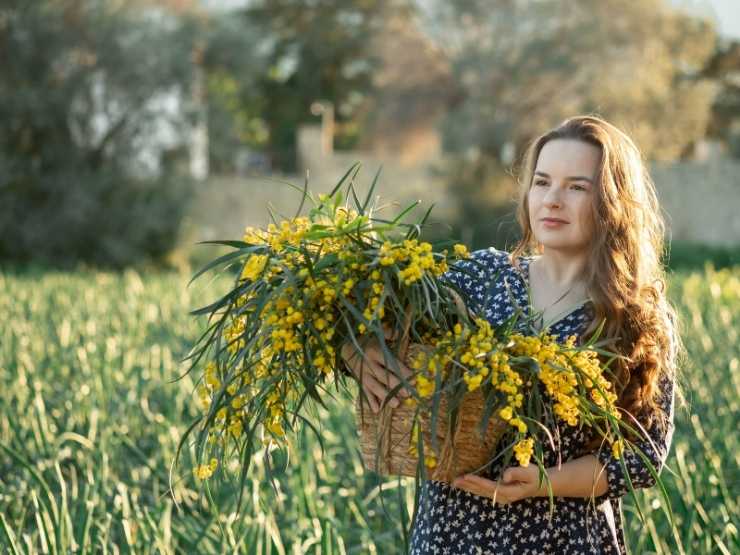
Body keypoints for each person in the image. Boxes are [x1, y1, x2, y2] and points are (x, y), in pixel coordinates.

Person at [341, 115, 683, 554]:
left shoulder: (635, 317)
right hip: (452, 532)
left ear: (612, 202)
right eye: (542, 182)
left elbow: (642, 459)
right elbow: (374, 317)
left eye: (577, 187)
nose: (553, 200)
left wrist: (545, 482)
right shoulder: (479, 278)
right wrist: (357, 350)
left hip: (563, 537)